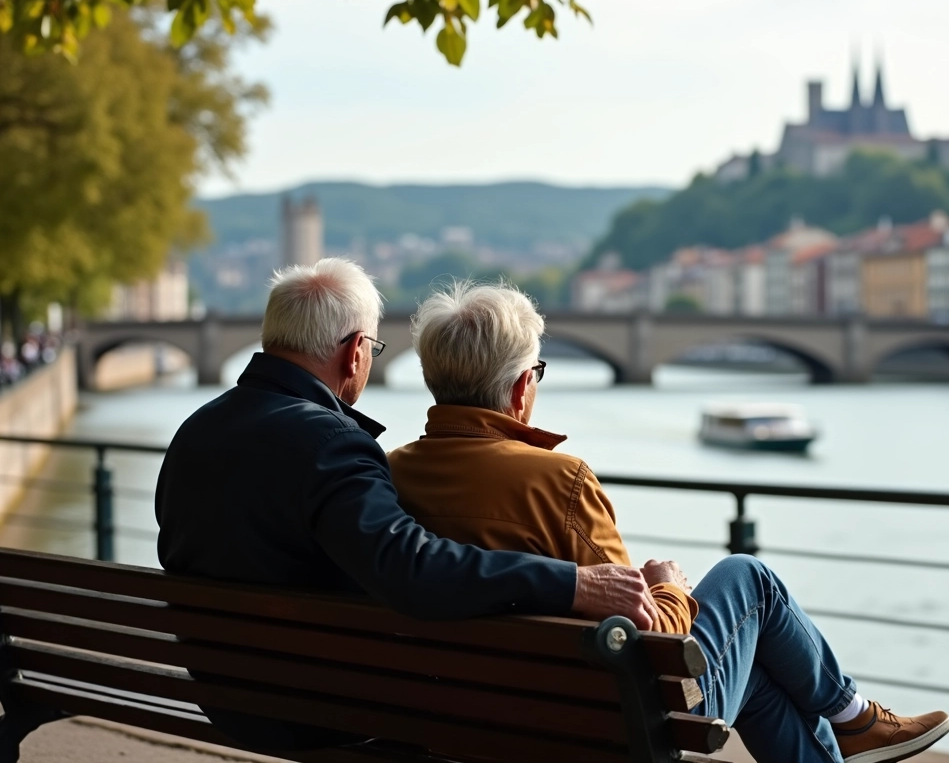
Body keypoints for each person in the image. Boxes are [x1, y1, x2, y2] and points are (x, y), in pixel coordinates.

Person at [388, 281, 949, 763]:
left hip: (466, 717)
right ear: (520, 387)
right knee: (747, 578)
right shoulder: (558, 483)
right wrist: (667, 586)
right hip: (608, 731)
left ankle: (853, 722)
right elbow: (650, 634)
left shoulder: (388, 478)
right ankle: (852, 714)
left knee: (752, 669)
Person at [155, 258, 658, 751]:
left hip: (223, 694)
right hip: (310, 709)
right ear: (355, 351)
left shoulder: (197, 430)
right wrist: (572, 582)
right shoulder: (329, 442)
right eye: (374, 347)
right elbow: (412, 570)